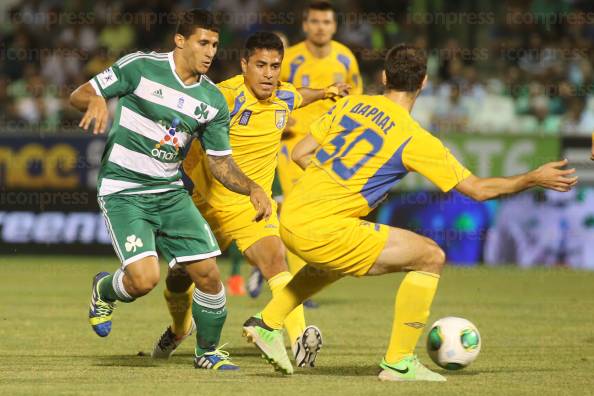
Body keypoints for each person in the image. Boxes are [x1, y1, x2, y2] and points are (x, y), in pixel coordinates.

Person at [242, 44, 578, 379]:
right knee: (430, 256)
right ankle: (399, 362)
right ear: (425, 83)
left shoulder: (353, 104)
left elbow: (301, 152)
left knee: (332, 264)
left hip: (293, 214)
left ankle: (268, 323)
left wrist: (332, 189)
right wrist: (533, 177)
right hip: (323, 226)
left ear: (384, 76)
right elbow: (479, 190)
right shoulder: (416, 139)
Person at [70, 9, 272, 371]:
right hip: (124, 189)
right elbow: (79, 94)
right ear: (180, 40)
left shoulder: (212, 101)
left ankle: (207, 353)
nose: (210, 52)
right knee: (144, 280)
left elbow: (220, 162)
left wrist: (252, 188)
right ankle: (104, 290)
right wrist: (97, 99)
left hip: (170, 192)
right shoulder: (140, 67)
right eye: (203, 42)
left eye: (215, 44)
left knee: (209, 273)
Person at [151, 32, 349, 369]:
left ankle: (299, 341)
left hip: (250, 204)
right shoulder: (224, 96)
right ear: (245, 65)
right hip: (206, 205)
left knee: (275, 260)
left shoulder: (282, 97)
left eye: (275, 66)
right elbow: (182, 112)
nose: (269, 74)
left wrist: (326, 92)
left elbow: (297, 95)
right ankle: (179, 327)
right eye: (260, 65)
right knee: (179, 278)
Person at [277, 1, 363, 298]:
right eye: (315, 21)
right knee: (294, 208)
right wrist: (280, 116)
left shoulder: (346, 59)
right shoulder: (291, 58)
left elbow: (355, 100)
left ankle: (296, 273)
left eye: (326, 22)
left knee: (318, 212)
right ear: (305, 24)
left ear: (334, 26)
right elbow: (272, 91)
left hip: (329, 145)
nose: (320, 27)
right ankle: (295, 286)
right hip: (293, 144)